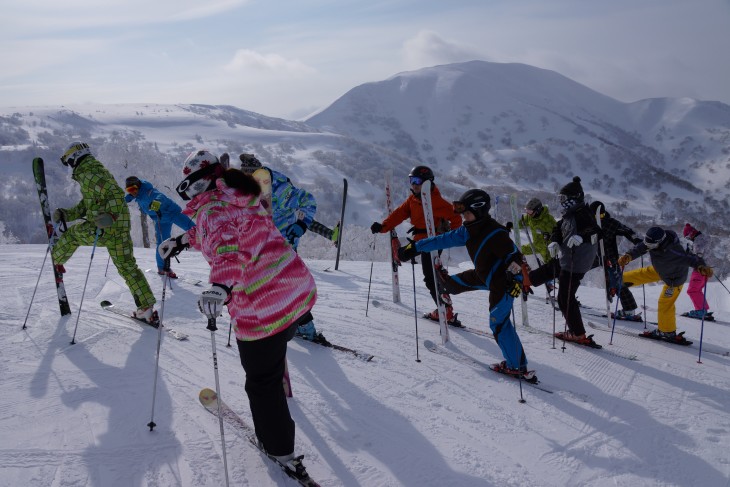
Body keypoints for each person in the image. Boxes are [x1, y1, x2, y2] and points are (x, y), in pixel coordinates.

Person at [159, 149, 317, 474]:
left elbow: (228, 251)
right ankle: (279, 435)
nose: (190, 195)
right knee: (272, 367)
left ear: (206, 180)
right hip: (295, 295)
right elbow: (223, 233)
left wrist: (220, 287)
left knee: (262, 383)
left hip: (262, 310)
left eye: (190, 187)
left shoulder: (212, 210)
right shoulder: (241, 196)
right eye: (184, 191)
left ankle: (280, 451)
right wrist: (181, 241)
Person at [397, 189, 534, 379]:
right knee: (451, 284)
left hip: (503, 283)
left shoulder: (495, 233)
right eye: (462, 214)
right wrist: (415, 247)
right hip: (484, 275)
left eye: (466, 214)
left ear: (478, 211)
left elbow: (516, 258)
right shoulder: (467, 230)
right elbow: (442, 239)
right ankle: (446, 286)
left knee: (498, 323)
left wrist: (517, 280)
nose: (463, 218)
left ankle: (517, 366)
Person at [51, 142, 158, 324]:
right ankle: (146, 308)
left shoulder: (89, 173)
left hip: (106, 227)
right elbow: (89, 204)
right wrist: (66, 214)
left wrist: (111, 216)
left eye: (69, 162)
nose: (70, 167)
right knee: (127, 267)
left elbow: (115, 197)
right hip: (119, 226)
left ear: (75, 158)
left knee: (73, 234)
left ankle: (57, 260)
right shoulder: (94, 171)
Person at [238, 153, 325, 342]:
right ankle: (286, 322)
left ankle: (307, 330)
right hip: (264, 242)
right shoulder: (253, 185)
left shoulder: (278, 186)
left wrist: (301, 225)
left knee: (288, 285)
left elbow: (308, 200)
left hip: (285, 240)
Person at [370, 166, 462, 326]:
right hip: (420, 240)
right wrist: (383, 227)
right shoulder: (413, 200)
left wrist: (448, 238)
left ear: (428, 182)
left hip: (433, 241)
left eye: (417, 181)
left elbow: (456, 219)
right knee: (430, 274)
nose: (414, 185)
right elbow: (399, 214)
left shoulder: (437, 201)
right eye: (412, 181)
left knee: (426, 273)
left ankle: (444, 309)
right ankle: (445, 307)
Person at [527, 177, 601, 347]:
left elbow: (597, 232)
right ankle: (526, 281)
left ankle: (578, 334)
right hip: (567, 259)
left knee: (565, 298)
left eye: (564, 199)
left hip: (577, 263)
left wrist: (581, 237)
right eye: (560, 199)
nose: (562, 202)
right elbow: (557, 229)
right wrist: (554, 240)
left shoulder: (584, 214)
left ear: (575, 198)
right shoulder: (570, 214)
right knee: (549, 269)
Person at [617, 227, 713, 341]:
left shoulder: (675, 250)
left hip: (674, 279)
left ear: (660, 241)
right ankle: (628, 309)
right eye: (647, 243)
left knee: (664, 303)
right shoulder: (652, 242)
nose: (648, 246)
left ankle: (667, 332)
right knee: (623, 279)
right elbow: (641, 247)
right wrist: (629, 256)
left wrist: (701, 266)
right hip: (660, 270)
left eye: (651, 245)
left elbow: (692, 258)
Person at [124, 176, 194, 278]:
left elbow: (161, 196)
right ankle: (162, 268)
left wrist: (156, 202)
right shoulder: (136, 194)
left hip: (172, 212)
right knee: (161, 243)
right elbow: (129, 197)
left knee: (194, 229)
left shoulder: (149, 192)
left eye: (133, 189)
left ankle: (211, 243)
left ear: (138, 186)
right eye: (129, 190)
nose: (132, 192)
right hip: (160, 219)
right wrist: (123, 200)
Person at [588, 201, 643, 320]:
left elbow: (627, 230)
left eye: (602, 216)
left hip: (610, 258)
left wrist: (636, 240)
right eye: (597, 216)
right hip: (595, 257)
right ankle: (569, 296)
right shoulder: (589, 223)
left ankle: (629, 310)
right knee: (577, 272)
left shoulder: (610, 223)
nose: (600, 218)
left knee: (617, 283)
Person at [520, 197, 557, 293]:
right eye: (527, 210)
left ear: (538, 210)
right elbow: (520, 223)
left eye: (530, 211)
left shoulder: (548, 220)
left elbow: (557, 232)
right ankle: (524, 279)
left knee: (551, 268)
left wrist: (550, 235)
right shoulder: (530, 217)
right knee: (519, 250)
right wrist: (513, 225)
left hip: (547, 248)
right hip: (535, 246)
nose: (528, 213)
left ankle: (552, 287)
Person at [682, 223, 713, 319]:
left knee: (692, 290)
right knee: (697, 290)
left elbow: (698, 256)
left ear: (691, 233)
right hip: (706, 269)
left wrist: (688, 254)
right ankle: (703, 309)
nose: (688, 239)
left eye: (687, 237)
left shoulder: (698, 242)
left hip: (700, 269)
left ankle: (700, 311)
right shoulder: (704, 238)